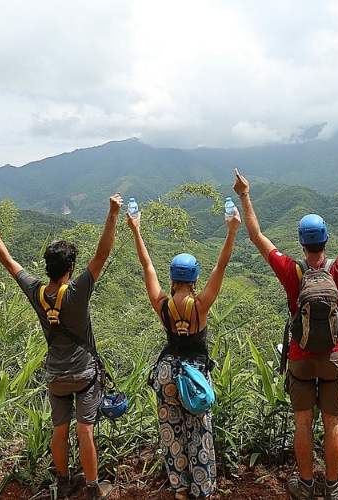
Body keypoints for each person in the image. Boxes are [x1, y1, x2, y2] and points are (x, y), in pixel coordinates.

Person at [233, 167, 338, 500]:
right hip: (334, 356)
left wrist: (244, 194)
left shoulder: (290, 270)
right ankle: (334, 487)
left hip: (299, 356)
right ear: (327, 239)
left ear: (301, 242)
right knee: (332, 422)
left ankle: (307, 485)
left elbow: (256, 235)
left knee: (302, 421)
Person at [0, 194, 124, 500]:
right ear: (71, 267)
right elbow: (102, 253)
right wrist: (112, 214)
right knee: (84, 430)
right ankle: (93, 489)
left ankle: (64, 482)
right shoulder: (78, 293)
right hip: (84, 375)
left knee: (60, 429)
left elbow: (8, 260)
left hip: (55, 376)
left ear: (47, 267)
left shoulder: (36, 291)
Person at [127, 203, 240, 499]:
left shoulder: (162, 305)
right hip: (195, 375)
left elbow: (147, 265)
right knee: (199, 431)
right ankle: (202, 488)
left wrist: (136, 230)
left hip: (166, 372)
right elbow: (222, 265)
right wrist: (231, 231)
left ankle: (179, 487)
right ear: (194, 279)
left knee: (171, 430)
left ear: (173, 277)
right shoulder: (200, 305)